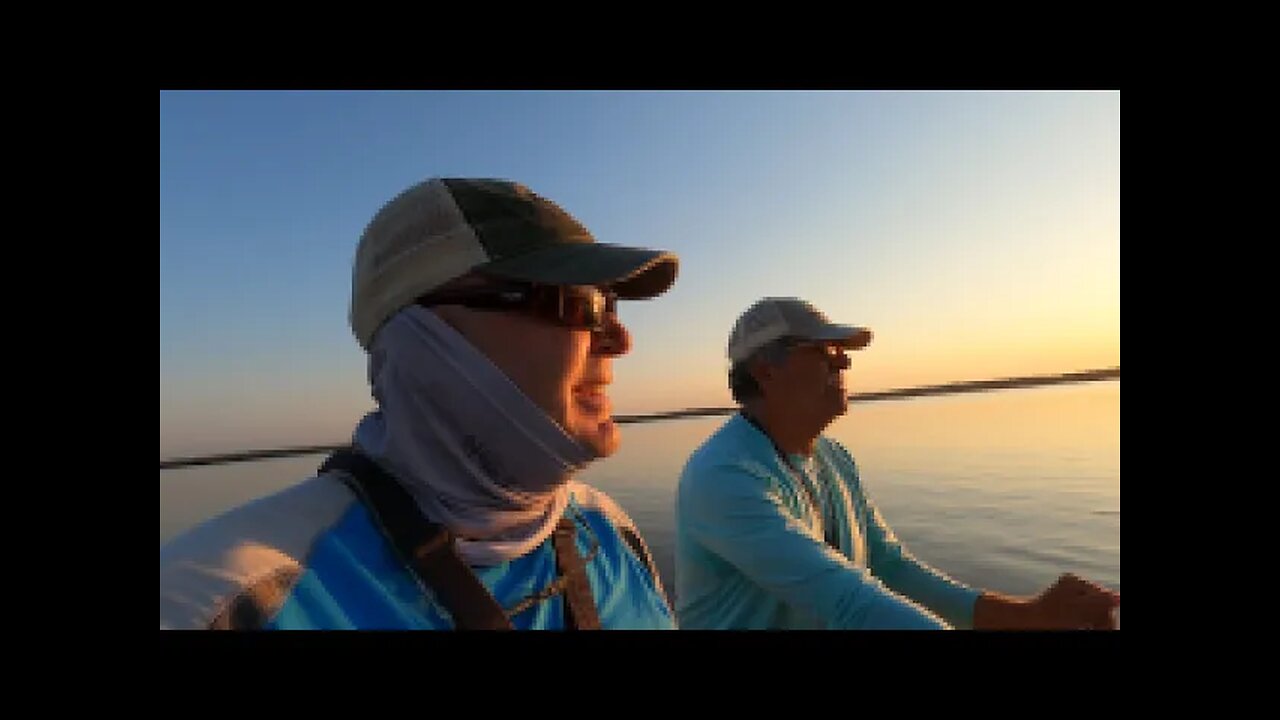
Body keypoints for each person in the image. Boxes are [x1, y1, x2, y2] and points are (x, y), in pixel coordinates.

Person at [160, 177, 679, 630]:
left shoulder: (609, 529)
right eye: (582, 305)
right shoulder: (224, 602)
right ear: (425, 339)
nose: (619, 339)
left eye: (610, 305)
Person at [674, 297, 1121, 630]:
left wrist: (1030, 615)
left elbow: (891, 570)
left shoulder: (833, 458)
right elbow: (848, 601)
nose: (844, 360)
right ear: (765, 372)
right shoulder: (725, 475)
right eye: (824, 350)